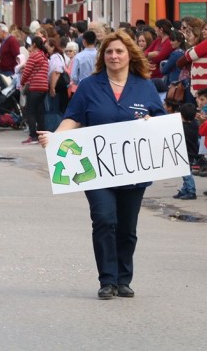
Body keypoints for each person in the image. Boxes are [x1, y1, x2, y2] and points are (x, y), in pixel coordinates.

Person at [38, 30, 165, 300]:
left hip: (134, 169)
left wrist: (150, 124)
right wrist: (55, 137)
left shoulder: (145, 86)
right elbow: (73, 118)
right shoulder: (90, 86)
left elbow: (161, 123)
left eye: (119, 51)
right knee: (105, 219)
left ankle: (124, 278)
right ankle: (107, 280)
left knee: (128, 227)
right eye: (108, 52)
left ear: (129, 54)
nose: (114, 56)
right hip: (96, 169)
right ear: (102, 56)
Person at [176, 18, 207, 92]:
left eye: (206, 29)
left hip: (205, 85)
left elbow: (189, 55)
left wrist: (191, 48)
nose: (203, 31)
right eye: (202, 29)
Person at [20, 36, 50, 144]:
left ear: (34, 45)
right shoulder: (44, 56)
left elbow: (27, 71)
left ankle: (33, 136)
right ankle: (42, 135)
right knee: (40, 112)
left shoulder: (34, 56)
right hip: (44, 87)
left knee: (30, 111)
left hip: (34, 87)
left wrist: (22, 82)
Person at [173, 102, 199, 200]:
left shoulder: (182, 127)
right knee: (185, 172)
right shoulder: (194, 124)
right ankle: (185, 189)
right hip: (192, 152)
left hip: (185, 153)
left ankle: (191, 191)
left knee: (186, 173)